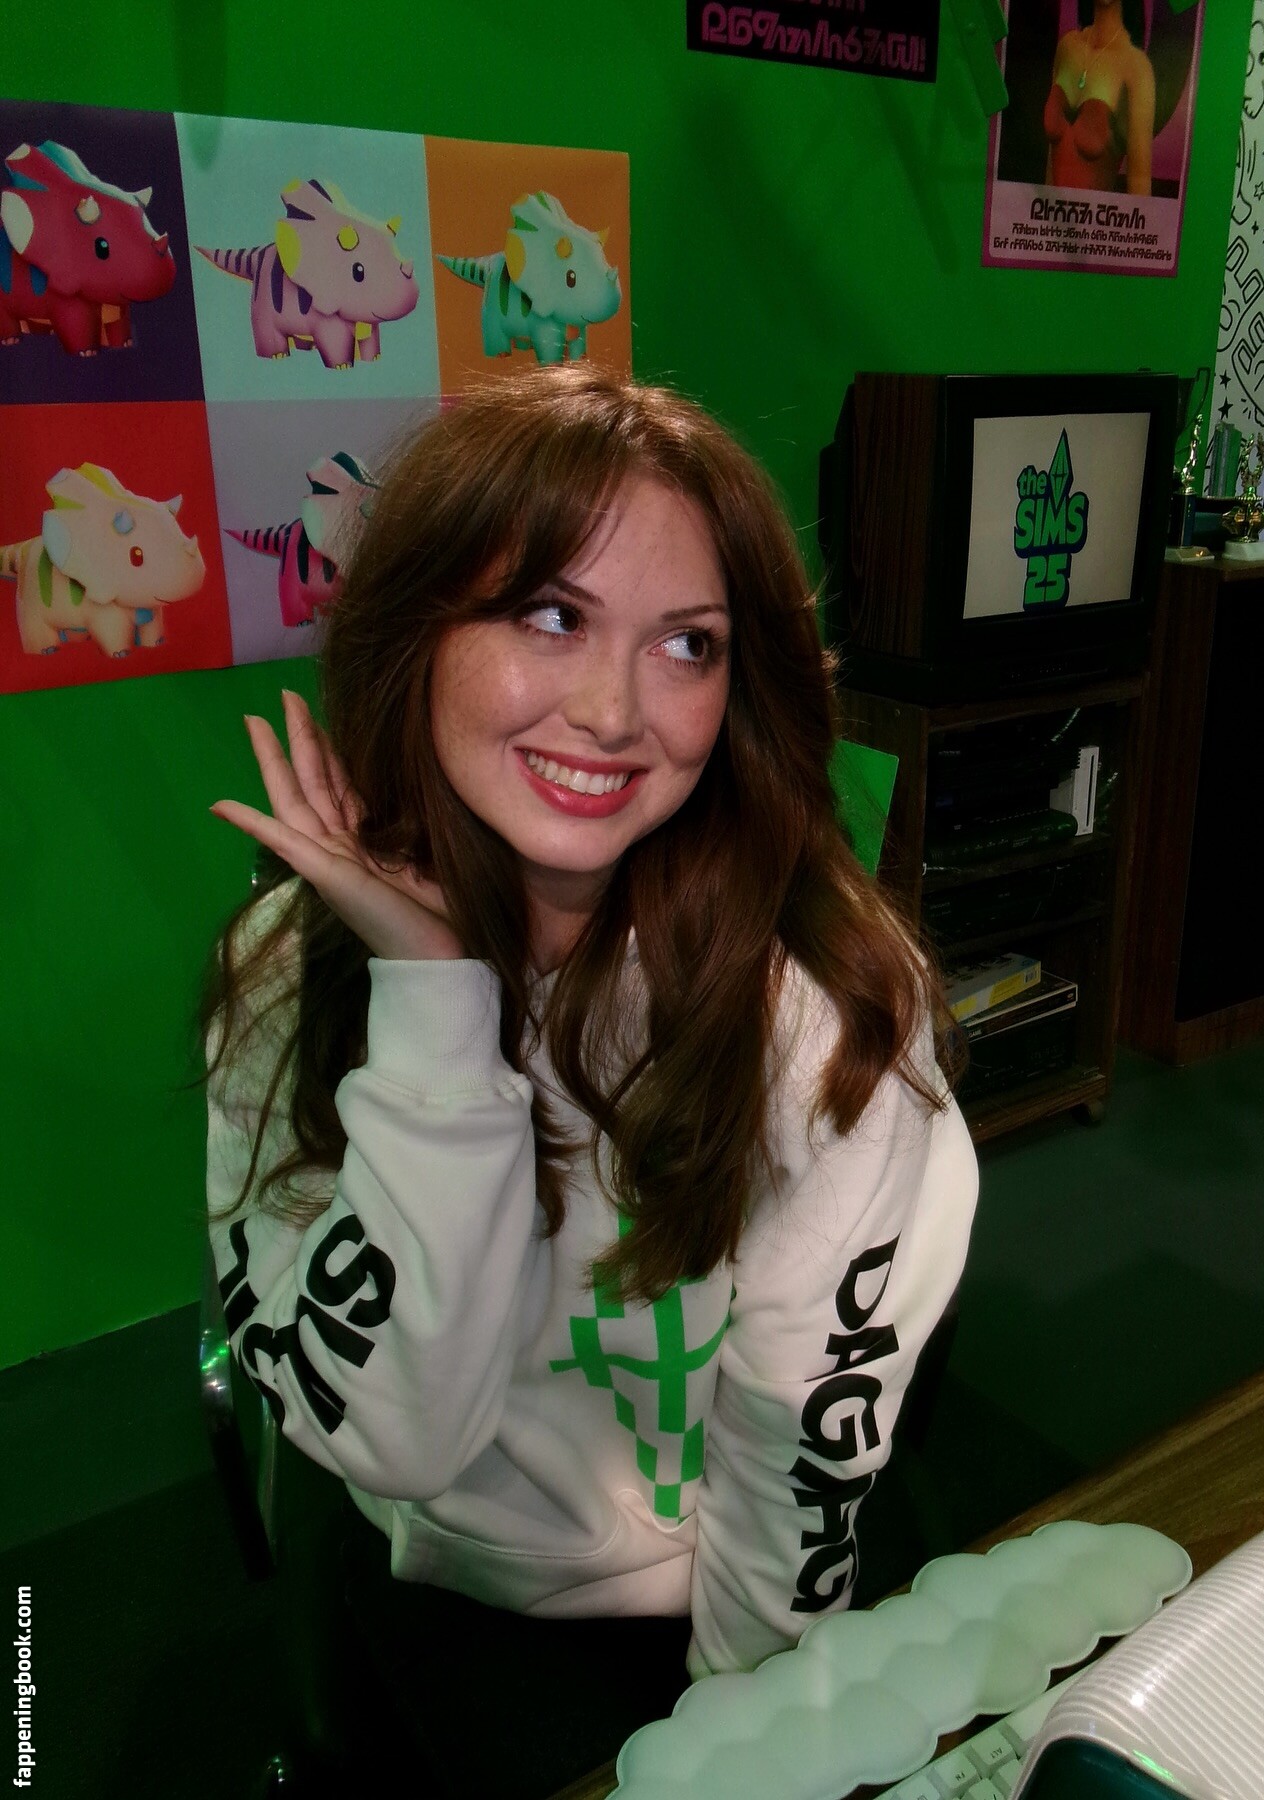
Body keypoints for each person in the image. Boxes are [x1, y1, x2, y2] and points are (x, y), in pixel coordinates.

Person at [203, 366, 979, 1691]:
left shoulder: (823, 1005)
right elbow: (391, 1437)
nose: (614, 715)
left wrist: (749, 1737)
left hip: (719, 1605)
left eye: (688, 645)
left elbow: (793, 1446)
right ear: (414, 633)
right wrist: (434, 1004)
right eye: (551, 615)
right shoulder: (288, 971)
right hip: (413, 1575)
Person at [1044, 0, 1155, 195]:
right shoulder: (1067, 46)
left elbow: (1140, 189)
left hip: (1098, 213)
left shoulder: (1136, 67)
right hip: (1048, 210)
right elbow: (1051, 161)